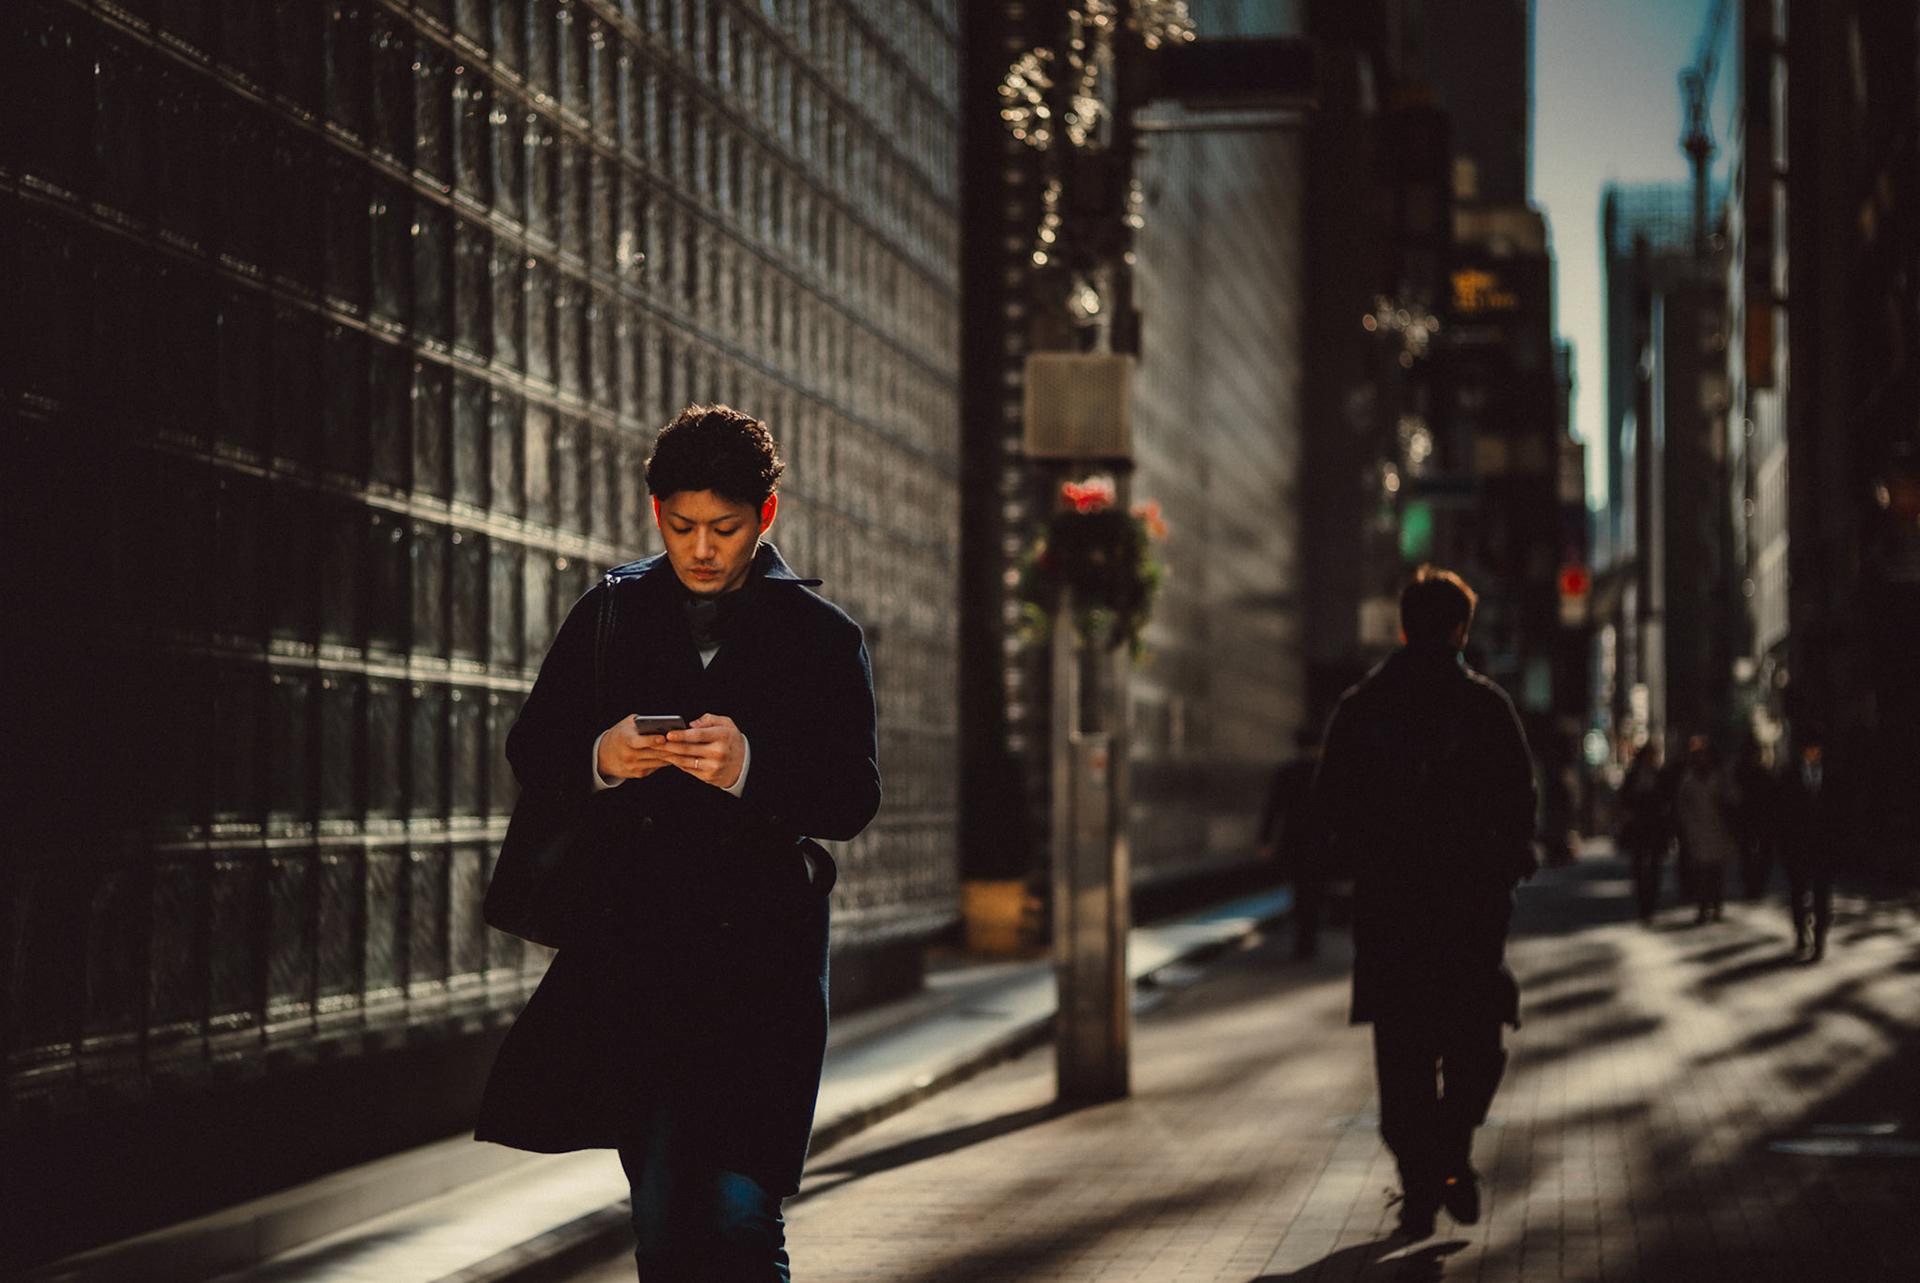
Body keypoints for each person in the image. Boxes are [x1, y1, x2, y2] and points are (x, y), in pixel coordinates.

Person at [474, 405, 882, 1281]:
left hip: (763, 970)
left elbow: (854, 796)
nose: (702, 548)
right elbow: (531, 748)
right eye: (681, 525)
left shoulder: (822, 637)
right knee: (663, 1224)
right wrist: (600, 757)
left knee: (739, 1211)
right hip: (640, 963)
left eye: (725, 528)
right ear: (656, 510)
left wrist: (749, 769)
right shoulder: (612, 614)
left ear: (764, 517)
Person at [1312, 566, 1537, 1240]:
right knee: (1475, 1042)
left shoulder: (1362, 706)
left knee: (1403, 1059)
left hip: (1392, 915)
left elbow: (1330, 807)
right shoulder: (1489, 707)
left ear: (1404, 625)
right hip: (1470, 914)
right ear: (1462, 628)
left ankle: (1420, 1183)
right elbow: (1521, 806)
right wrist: (1502, 863)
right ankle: (1450, 1152)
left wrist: (1367, 857)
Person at [1258, 727, 1328, 958]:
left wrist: (1266, 840)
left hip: (1294, 840)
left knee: (1300, 888)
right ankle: (1311, 938)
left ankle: (1302, 940)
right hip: (1320, 840)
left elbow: (1273, 809)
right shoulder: (1326, 770)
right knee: (1315, 889)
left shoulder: (1287, 772)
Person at [1779, 735, 1841, 961]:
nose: (1813, 752)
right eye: (1809, 748)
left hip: (1824, 846)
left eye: (1817, 748)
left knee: (1822, 895)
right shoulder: (1789, 776)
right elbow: (1782, 814)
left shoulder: (1833, 775)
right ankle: (1800, 933)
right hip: (1798, 846)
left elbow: (1840, 812)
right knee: (1798, 893)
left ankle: (1820, 939)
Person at [1673, 735, 1738, 924]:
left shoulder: (1719, 776)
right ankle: (1703, 906)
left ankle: (1716, 905)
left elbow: (1732, 798)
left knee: (1716, 871)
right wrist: (1687, 828)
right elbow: (1683, 807)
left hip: (1717, 829)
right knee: (1701, 872)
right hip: (1698, 831)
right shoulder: (1689, 779)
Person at [1615, 742, 1673, 923]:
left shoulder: (1660, 776)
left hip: (1655, 826)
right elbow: (1624, 800)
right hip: (1638, 827)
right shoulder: (1633, 776)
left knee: (1655, 865)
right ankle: (1643, 902)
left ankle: (1652, 901)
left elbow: (1667, 800)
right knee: (1638, 865)